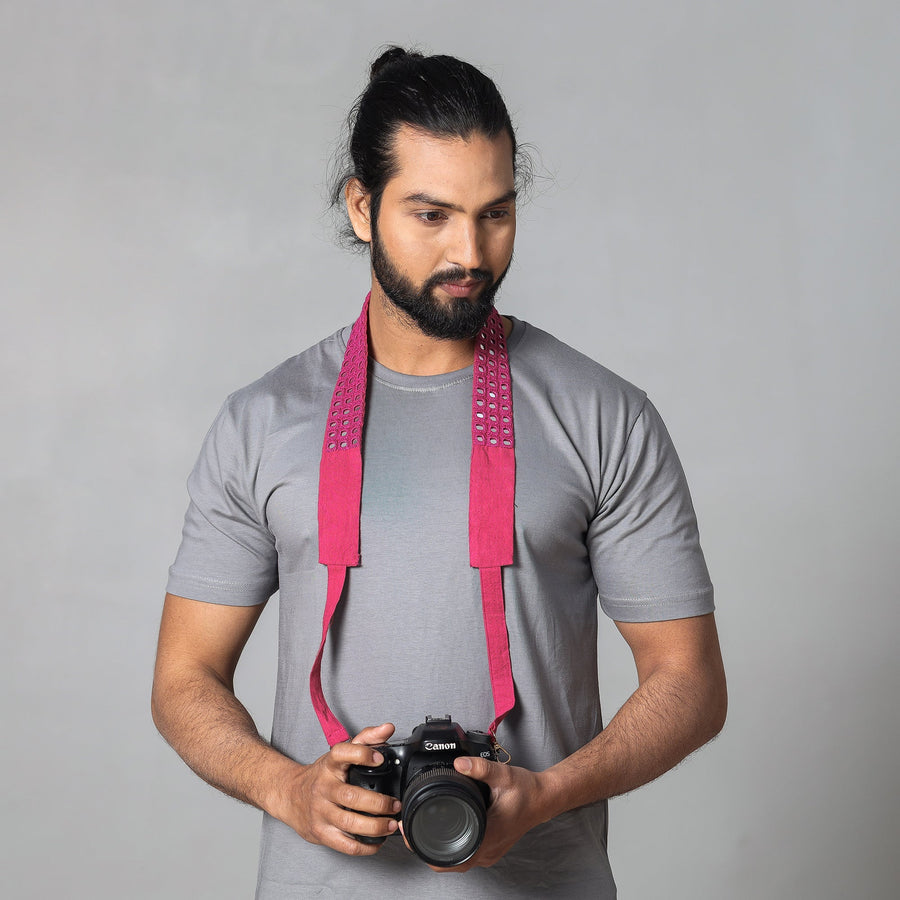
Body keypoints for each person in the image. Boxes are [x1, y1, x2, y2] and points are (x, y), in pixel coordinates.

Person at [152, 47, 727, 899]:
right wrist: (287, 788)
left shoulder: (605, 415)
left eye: (496, 214)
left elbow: (691, 683)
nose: (470, 251)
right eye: (432, 215)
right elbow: (182, 679)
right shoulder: (261, 422)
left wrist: (547, 794)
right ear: (362, 207)